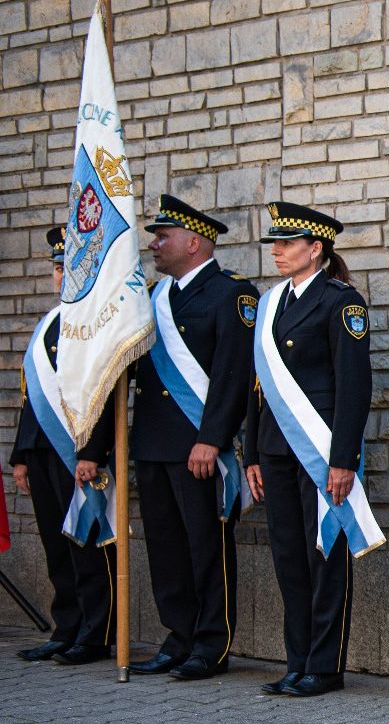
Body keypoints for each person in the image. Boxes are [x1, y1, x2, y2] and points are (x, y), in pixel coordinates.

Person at [244, 202, 377, 698]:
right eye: (274, 244)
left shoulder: (341, 302)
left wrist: (344, 459)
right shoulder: (271, 302)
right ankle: (296, 660)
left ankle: (324, 666)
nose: (276, 252)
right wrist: (251, 452)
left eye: (286, 243)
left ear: (315, 248)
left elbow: (353, 386)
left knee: (324, 554)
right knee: (289, 557)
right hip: (276, 448)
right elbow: (259, 385)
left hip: (321, 450)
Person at [126, 196, 258, 681]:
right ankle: (177, 637)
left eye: (162, 237)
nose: (154, 246)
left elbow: (233, 375)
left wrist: (212, 437)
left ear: (193, 242)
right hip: (153, 442)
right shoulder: (154, 297)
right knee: (166, 547)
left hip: (199, 446)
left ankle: (210, 643)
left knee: (206, 546)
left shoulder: (231, 295)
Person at [11, 225, 119, 665]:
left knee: (86, 544)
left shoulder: (97, 321)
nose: (61, 275)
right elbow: (29, 396)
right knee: (57, 548)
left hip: (78, 453)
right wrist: (20, 455)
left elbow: (106, 391)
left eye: (69, 266)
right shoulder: (50, 322)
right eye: (57, 268)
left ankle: (96, 634)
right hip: (41, 450)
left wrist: (92, 452)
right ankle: (67, 627)